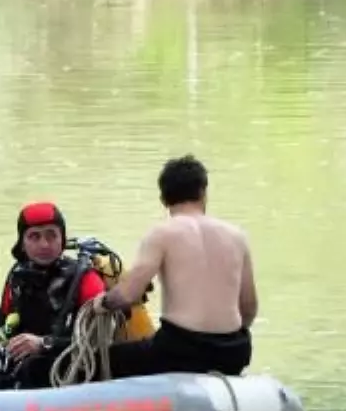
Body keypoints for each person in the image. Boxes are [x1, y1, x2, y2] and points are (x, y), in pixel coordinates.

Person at [95, 155, 256, 377]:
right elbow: (248, 307)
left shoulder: (162, 233)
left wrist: (101, 303)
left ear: (164, 199)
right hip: (234, 351)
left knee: (101, 359)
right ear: (203, 192)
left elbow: (129, 294)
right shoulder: (237, 236)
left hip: (180, 351)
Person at [0, 201, 108, 388]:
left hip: (68, 368)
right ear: (22, 243)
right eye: (34, 236)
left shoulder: (85, 279)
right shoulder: (18, 276)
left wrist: (44, 344)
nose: (44, 244)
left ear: (62, 239)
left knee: (32, 367)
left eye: (52, 235)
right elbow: (2, 321)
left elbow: (100, 339)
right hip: (19, 364)